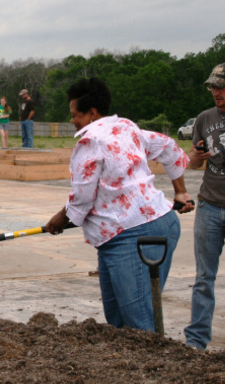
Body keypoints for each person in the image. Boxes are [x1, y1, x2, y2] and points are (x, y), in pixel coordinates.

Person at [45, 77, 194, 333]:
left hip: (132, 236)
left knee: (139, 326)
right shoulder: (126, 126)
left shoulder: (89, 141)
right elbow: (170, 148)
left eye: (74, 115)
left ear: (92, 113)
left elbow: (81, 199)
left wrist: (60, 219)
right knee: (117, 322)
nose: (72, 121)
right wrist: (180, 192)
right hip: (153, 228)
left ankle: (152, 369)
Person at [184, 63, 225, 351]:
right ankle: (196, 342)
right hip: (209, 205)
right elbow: (193, 162)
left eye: (221, 86)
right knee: (203, 278)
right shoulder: (204, 118)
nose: (216, 92)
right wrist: (198, 154)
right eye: (213, 86)